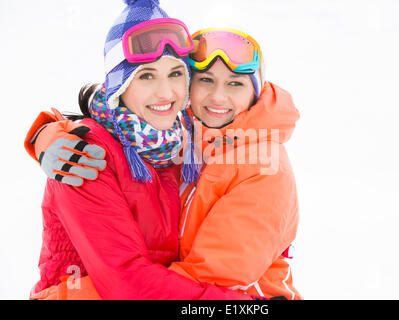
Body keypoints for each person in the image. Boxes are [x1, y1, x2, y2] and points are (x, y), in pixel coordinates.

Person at [27, 17, 301, 299]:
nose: (218, 97)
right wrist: (46, 134)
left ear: (255, 93)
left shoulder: (263, 167)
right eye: (205, 80)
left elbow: (208, 279)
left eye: (235, 84)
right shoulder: (171, 139)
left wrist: (67, 297)